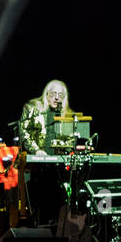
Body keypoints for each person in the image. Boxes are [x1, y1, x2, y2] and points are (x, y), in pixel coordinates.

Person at [17, 80, 71, 225]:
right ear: (47, 94)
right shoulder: (32, 108)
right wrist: (37, 150)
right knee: (39, 197)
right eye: (53, 94)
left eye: (60, 95)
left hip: (58, 165)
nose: (56, 98)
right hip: (35, 164)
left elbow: (71, 139)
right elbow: (24, 132)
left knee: (59, 198)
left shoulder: (67, 114)